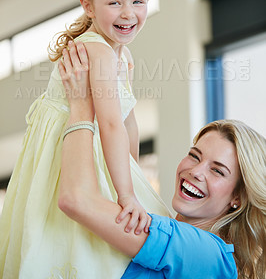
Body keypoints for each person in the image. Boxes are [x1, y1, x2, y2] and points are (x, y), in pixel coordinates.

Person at [0, 0, 170, 279]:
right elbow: (108, 124)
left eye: (138, 2)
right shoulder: (97, 49)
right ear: (88, 6)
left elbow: (127, 123)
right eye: (114, 3)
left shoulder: (122, 56)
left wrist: (134, 180)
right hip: (73, 159)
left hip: (100, 156)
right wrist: (125, 195)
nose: (128, 13)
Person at [58, 41, 266, 279]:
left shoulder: (205, 252)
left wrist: (81, 105)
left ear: (237, 198)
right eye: (194, 156)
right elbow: (129, 166)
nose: (196, 171)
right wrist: (121, 95)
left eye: (217, 171)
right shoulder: (168, 234)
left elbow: (75, 200)